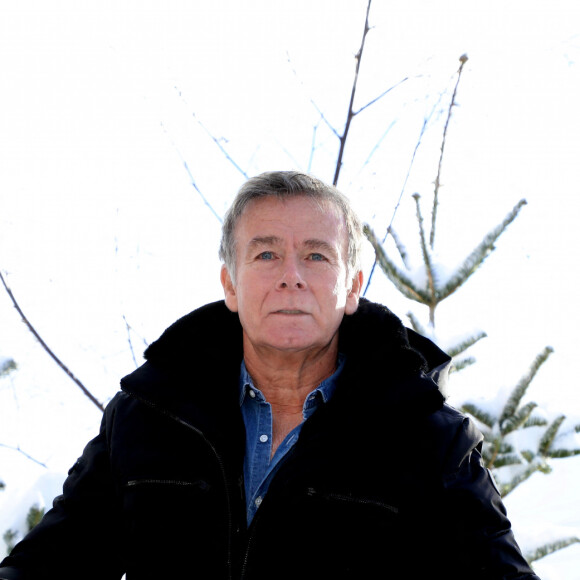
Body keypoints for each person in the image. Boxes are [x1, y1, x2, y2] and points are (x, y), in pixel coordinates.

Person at [0, 171, 540, 579]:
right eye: (265, 255)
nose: (291, 278)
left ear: (351, 286)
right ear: (230, 285)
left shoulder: (428, 440)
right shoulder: (147, 418)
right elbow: (49, 567)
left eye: (316, 256)